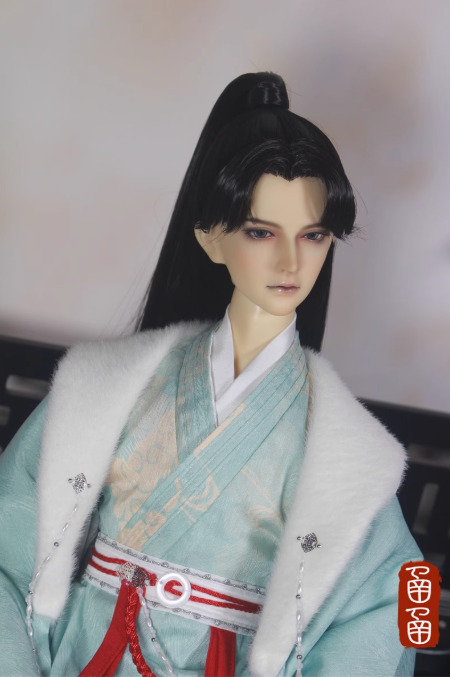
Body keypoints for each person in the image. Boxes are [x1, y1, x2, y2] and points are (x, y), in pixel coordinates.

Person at [0, 72, 423, 677]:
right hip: (82, 657)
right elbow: (7, 545)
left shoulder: (346, 447)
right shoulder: (105, 389)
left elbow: (401, 595)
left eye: (314, 236)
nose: (290, 261)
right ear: (210, 239)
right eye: (260, 232)